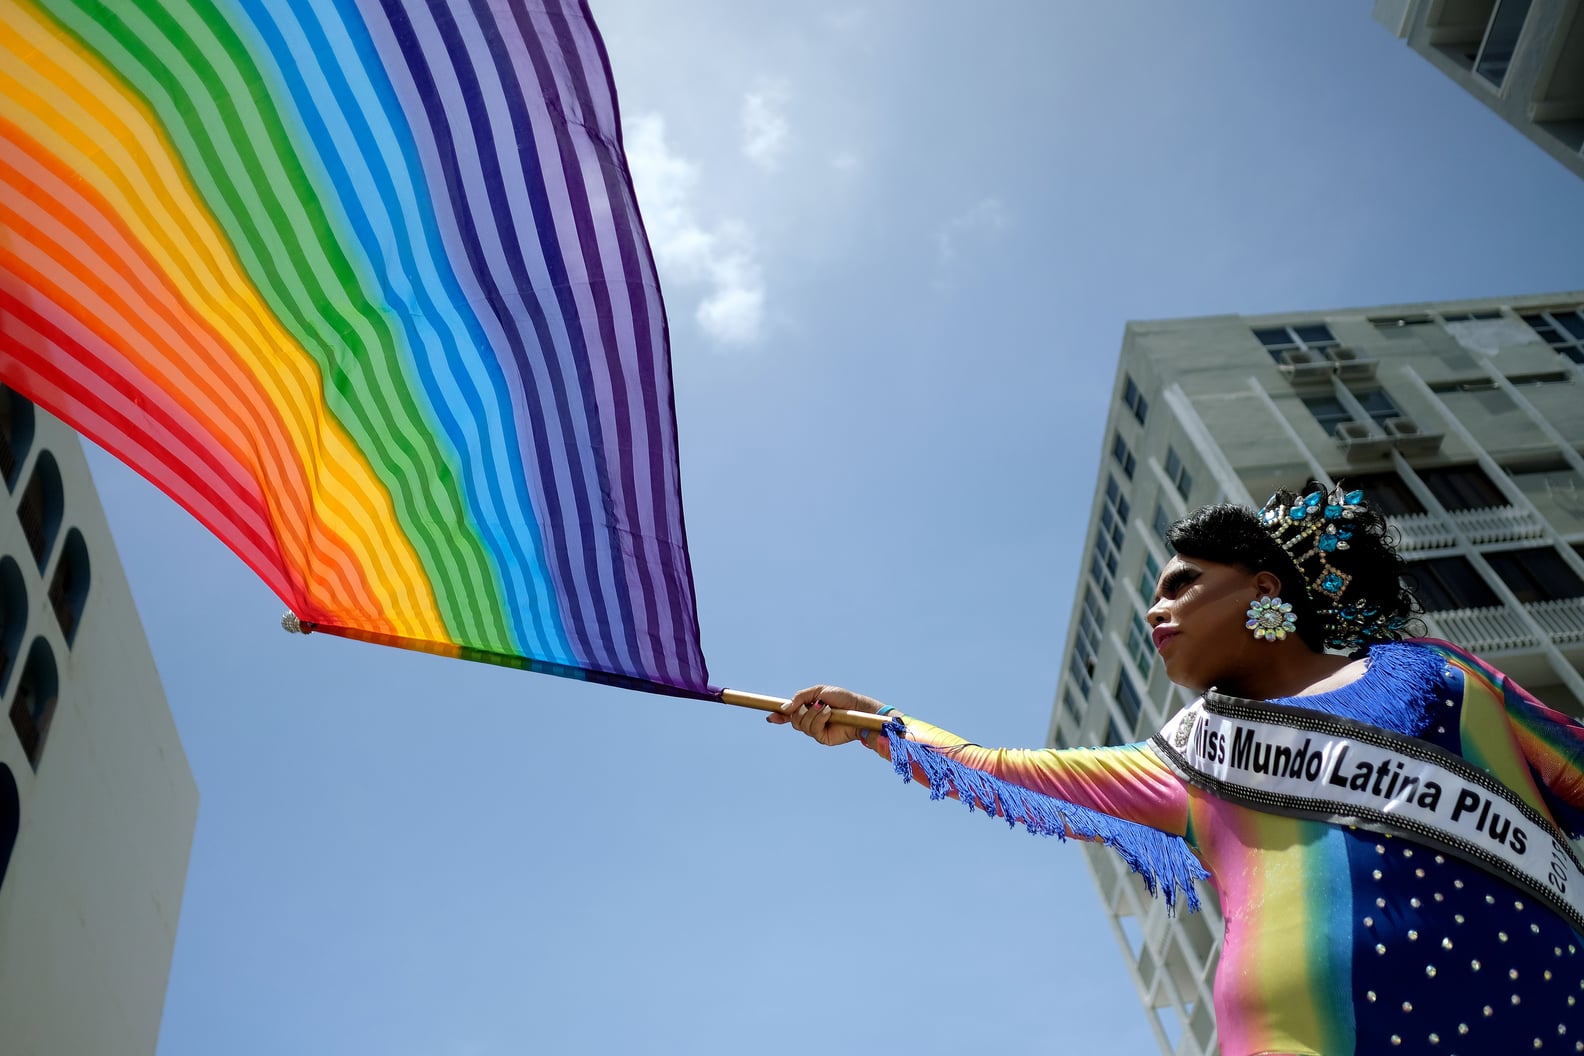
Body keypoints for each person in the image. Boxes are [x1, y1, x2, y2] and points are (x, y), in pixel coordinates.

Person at [771, 484, 1584, 1056]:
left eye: (1184, 584)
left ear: (1266, 588)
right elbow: (1007, 768)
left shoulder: (1440, 676)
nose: (1158, 611)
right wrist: (881, 725)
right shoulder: (1189, 752)